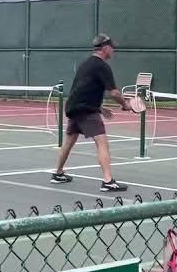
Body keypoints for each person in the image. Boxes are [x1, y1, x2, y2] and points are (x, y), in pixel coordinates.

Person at [52, 34, 129, 192]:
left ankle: (58, 173)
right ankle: (108, 181)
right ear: (105, 48)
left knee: (68, 142)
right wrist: (126, 104)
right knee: (102, 143)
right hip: (86, 111)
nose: (113, 50)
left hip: (74, 107)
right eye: (112, 47)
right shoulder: (102, 66)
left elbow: (82, 90)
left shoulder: (86, 65)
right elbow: (114, 93)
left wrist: (99, 108)